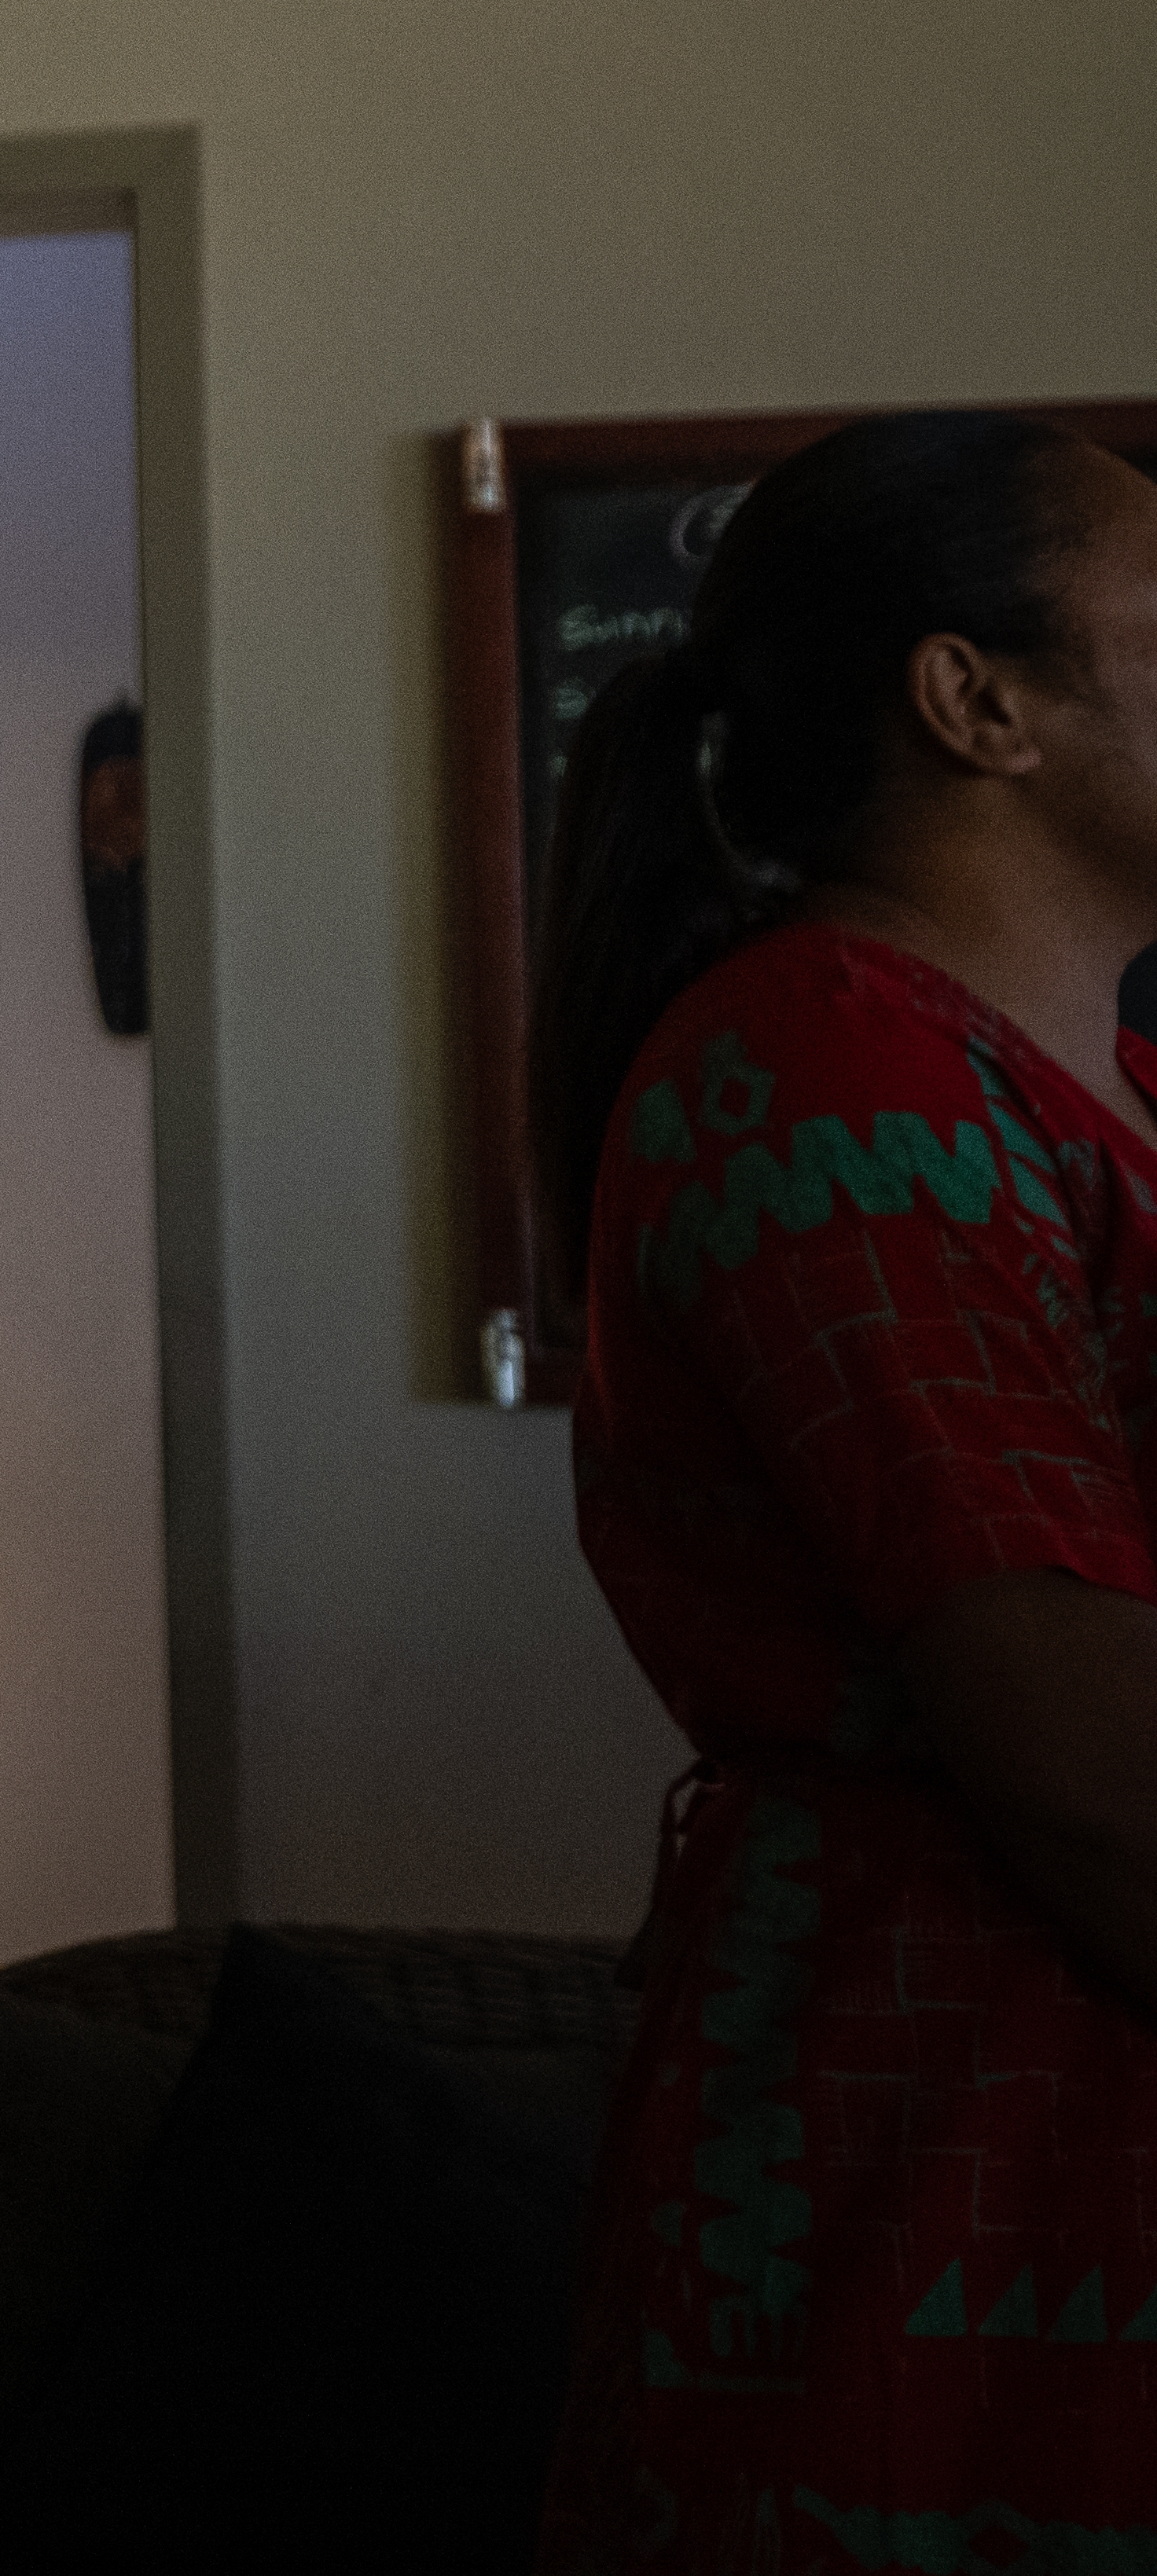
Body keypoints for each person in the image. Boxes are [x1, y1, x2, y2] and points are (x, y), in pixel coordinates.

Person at [531, 409, 1157, 2556]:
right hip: (970, 2186)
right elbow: (1102, 1780)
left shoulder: (1108, 1080)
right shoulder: (831, 1075)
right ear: (977, 702)